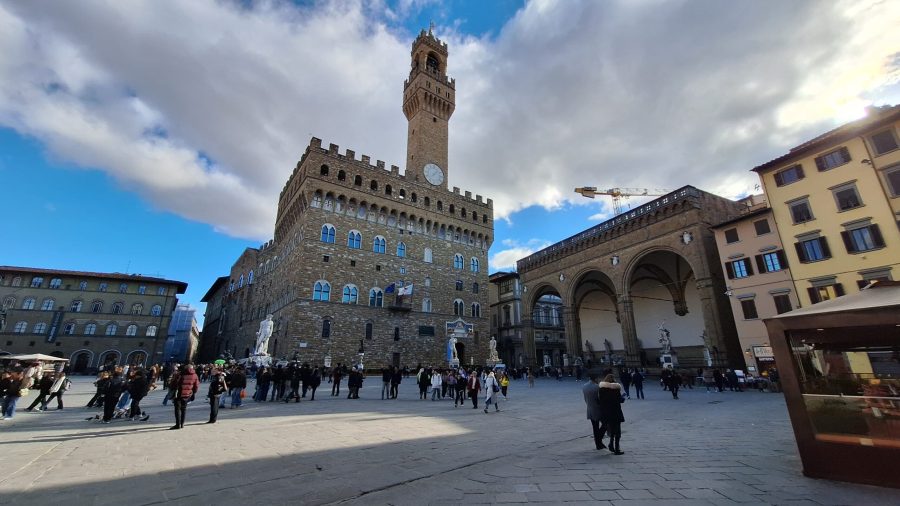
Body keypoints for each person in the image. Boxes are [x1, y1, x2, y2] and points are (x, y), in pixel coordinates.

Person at [598, 374, 625, 455]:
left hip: (606, 413)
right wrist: (623, 398)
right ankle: (617, 449)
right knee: (618, 431)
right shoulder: (615, 389)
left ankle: (611, 444)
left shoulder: (601, 389)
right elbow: (620, 400)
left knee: (612, 430)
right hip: (615, 412)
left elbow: (600, 400)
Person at [170, 364, 199, 430]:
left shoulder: (181, 374)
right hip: (187, 394)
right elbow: (196, 386)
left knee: (177, 409)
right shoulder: (195, 375)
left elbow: (174, 383)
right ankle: (182, 424)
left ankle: (178, 424)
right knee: (184, 409)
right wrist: (193, 392)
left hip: (179, 393)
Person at [582, 373, 606, 450]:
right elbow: (601, 399)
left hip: (589, 408)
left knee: (595, 427)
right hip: (598, 409)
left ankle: (598, 444)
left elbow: (585, 398)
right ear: (595, 379)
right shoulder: (597, 387)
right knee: (606, 424)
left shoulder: (584, 386)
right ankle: (599, 441)